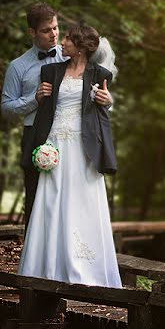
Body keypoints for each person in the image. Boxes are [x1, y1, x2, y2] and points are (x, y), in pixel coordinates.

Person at [17, 23, 121, 287]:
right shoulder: (50, 71)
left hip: (84, 149)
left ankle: (85, 269)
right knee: (51, 201)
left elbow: (104, 106)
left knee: (82, 202)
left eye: (67, 39)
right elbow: (43, 108)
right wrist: (39, 97)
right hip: (55, 146)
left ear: (80, 47)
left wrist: (107, 101)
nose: (61, 42)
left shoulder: (99, 74)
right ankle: (47, 267)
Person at [1, 2, 66, 224]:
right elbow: (7, 110)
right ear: (32, 32)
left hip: (67, 135)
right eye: (47, 30)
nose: (54, 34)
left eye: (56, 27)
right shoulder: (17, 67)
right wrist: (33, 99)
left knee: (68, 197)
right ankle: (33, 252)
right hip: (34, 135)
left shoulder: (70, 59)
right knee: (35, 196)